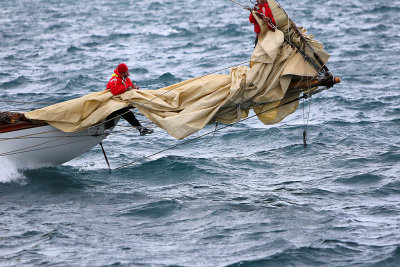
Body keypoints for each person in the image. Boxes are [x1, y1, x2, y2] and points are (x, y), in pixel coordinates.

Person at [105, 63, 154, 136]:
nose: (127, 73)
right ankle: (107, 127)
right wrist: (126, 87)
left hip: (123, 101)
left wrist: (134, 88)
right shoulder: (114, 80)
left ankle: (141, 128)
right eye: (125, 72)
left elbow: (130, 87)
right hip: (113, 101)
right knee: (124, 111)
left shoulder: (126, 79)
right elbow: (115, 92)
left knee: (138, 104)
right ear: (121, 72)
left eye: (127, 71)